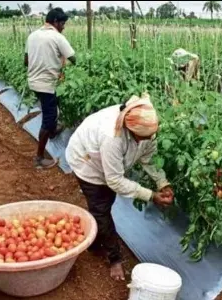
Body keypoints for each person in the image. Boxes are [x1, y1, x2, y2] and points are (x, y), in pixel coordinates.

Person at [65, 93, 174, 281]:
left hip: (108, 165)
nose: (145, 141)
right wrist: (150, 195)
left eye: (149, 137)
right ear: (130, 130)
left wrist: (162, 182)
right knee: (101, 209)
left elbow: (149, 158)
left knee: (106, 203)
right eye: (141, 138)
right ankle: (113, 258)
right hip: (87, 162)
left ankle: (95, 239)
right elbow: (114, 180)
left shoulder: (146, 128)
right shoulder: (112, 137)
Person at [24, 7, 76, 169]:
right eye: (62, 23)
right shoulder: (57, 37)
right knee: (48, 118)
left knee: (53, 107)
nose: (63, 27)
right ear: (55, 22)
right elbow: (74, 59)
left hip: (34, 82)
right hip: (47, 85)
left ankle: (53, 131)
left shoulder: (32, 35)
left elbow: (26, 61)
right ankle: (39, 158)